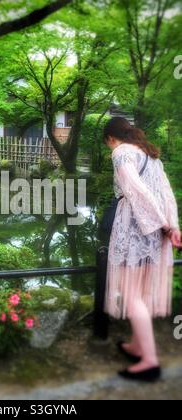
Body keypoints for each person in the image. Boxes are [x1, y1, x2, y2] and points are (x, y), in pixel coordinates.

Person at [104, 117, 182, 382]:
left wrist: (160, 223)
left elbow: (134, 191)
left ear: (110, 138)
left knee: (130, 293)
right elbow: (166, 193)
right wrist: (172, 225)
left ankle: (149, 361)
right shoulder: (150, 156)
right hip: (155, 229)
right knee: (144, 293)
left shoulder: (120, 152)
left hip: (137, 225)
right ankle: (138, 346)